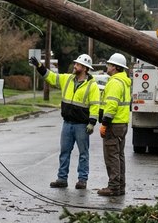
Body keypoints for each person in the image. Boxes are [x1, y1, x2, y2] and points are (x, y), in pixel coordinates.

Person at [29, 54, 101, 190]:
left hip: (82, 125)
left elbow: (95, 105)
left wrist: (92, 122)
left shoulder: (92, 86)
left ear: (85, 68)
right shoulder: (67, 79)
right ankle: (62, 178)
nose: (75, 66)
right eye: (75, 64)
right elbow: (51, 77)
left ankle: (82, 180)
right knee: (64, 152)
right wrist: (39, 66)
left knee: (83, 153)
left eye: (78, 65)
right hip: (67, 123)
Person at [97, 53, 132, 197]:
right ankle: (120, 186)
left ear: (116, 67)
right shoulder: (124, 81)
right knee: (119, 156)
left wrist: (104, 123)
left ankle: (113, 187)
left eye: (110, 65)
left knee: (112, 156)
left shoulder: (115, 82)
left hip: (114, 124)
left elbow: (111, 105)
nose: (107, 66)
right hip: (122, 124)